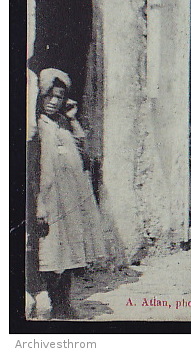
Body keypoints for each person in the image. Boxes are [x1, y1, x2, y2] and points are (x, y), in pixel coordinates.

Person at [32, 69, 114, 318]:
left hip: (69, 200)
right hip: (48, 199)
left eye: (59, 97)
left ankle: (64, 304)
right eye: (49, 96)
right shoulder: (36, 126)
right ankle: (51, 303)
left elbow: (83, 151)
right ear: (40, 97)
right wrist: (39, 203)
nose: (54, 102)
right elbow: (33, 168)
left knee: (68, 254)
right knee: (50, 254)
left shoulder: (63, 123)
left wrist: (72, 119)